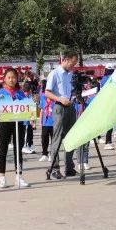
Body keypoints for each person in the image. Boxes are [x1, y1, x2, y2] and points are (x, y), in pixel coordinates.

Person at [45, 52, 80, 180]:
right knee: (57, 138)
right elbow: (47, 93)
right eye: (72, 63)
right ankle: (54, 169)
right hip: (59, 107)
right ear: (65, 60)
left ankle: (69, 167)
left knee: (71, 137)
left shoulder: (71, 75)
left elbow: (72, 91)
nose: (73, 66)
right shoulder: (54, 73)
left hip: (71, 107)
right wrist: (59, 99)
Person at [0, 68, 30, 188]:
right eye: (9, 77)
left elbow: (27, 107)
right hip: (5, 123)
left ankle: (18, 176)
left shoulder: (20, 93)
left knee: (18, 149)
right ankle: (2, 177)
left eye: (14, 77)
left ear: (17, 79)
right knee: (3, 149)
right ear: (4, 79)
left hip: (18, 123)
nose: (11, 80)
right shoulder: (0, 93)